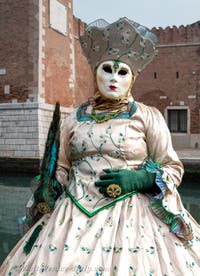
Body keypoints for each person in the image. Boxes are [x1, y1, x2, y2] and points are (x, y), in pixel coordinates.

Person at [1, 17, 199, 276]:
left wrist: (141, 178)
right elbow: (62, 166)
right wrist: (51, 184)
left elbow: (172, 167)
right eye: (107, 69)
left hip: (131, 214)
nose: (114, 78)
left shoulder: (148, 116)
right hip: (71, 214)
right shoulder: (75, 118)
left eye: (122, 72)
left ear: (133, 78)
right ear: (95, 73)